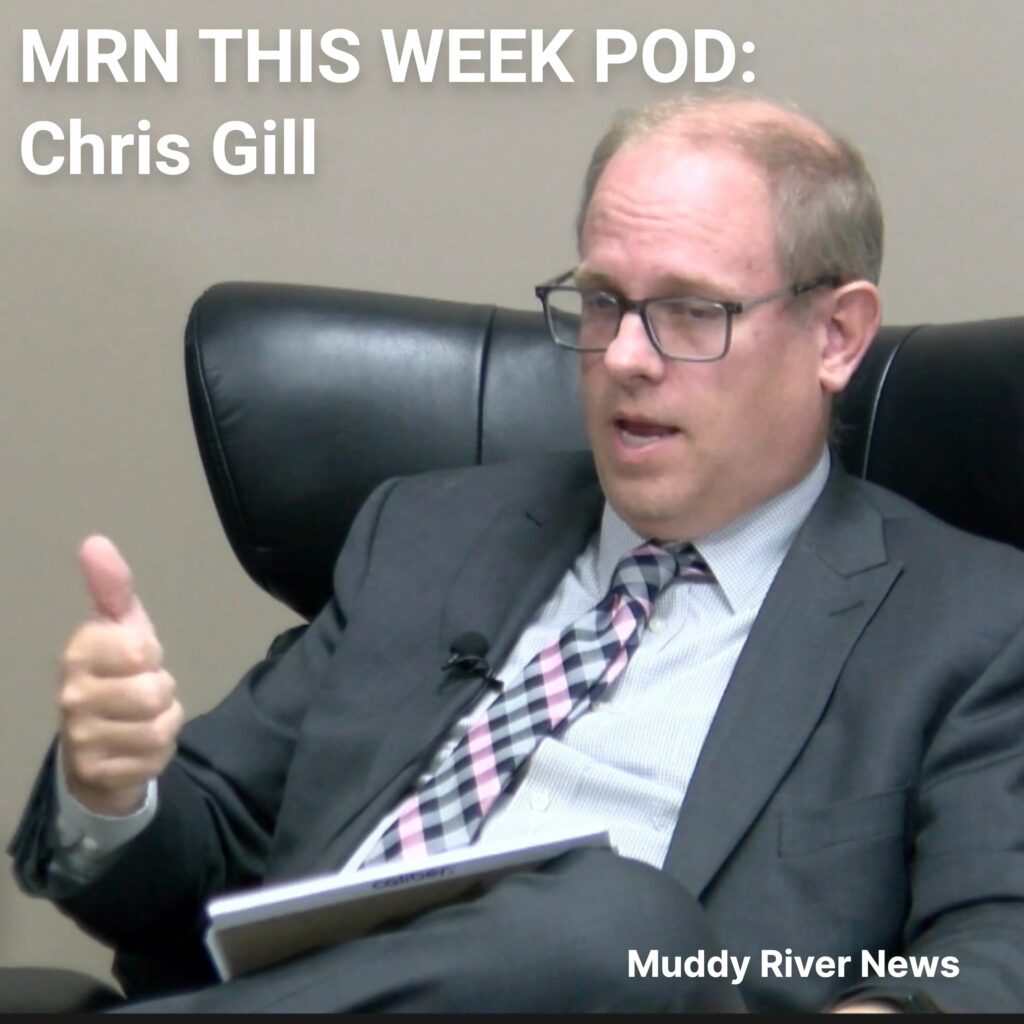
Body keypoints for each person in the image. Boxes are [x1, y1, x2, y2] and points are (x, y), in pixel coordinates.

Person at [9, 93, 1024, 1014]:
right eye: (599, 302)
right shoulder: (427, 533)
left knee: (619, 930)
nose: (623, 355)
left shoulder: (969, 624)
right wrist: (113, 785)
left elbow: (994, 940)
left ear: (835, 336)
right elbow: (207, 850)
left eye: (688, 310)